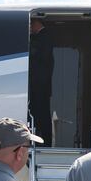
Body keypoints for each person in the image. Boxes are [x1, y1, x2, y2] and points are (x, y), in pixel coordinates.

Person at [29, 17, 54, 146]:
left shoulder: (44, 37)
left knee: (41, 115)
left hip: (40, 85)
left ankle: (44, 142)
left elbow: (39, 55)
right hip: (42, 86)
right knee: (40, 114)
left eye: (30, 26)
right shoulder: (43, 37)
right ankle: (42, 141)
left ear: (36, 24)